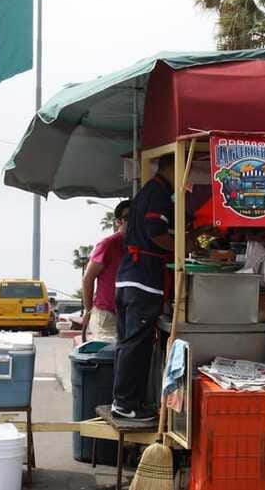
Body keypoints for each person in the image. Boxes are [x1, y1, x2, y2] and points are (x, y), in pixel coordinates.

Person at [111, 155, 175, 421]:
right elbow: (155, 232)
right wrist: (184, 248)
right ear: (173, 168)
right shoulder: (158, 192)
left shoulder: (147, 191)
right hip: (143, 282)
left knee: (128, 344)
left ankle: (126, 401)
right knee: (136, 345)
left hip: (128, 279)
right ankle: (125, 404)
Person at [81, 200, 130, 343]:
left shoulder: (142, 245)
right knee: (109, 357)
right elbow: (88, 278)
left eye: (136, 216)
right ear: (118, 222)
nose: (132, 221)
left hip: (131, 315)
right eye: (128, 217)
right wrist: (89, 310)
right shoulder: (108, 244)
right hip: (107, 315)